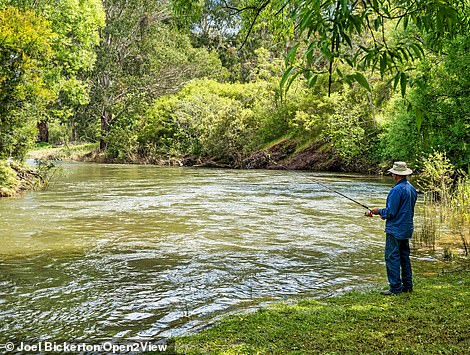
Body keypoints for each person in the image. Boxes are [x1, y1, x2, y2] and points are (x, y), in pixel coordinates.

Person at [367, 161, 418, 295]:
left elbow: (391, 212)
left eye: (392, 174)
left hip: (395, 229)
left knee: (392, 257)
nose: (392, 175)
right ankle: (408, 286)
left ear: (396, 175)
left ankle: (395, 288)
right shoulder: (411, 189)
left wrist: (378, 211)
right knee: (404, 257)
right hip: (407, 228)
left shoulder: (396, 190)